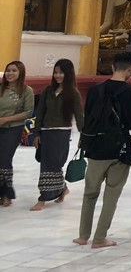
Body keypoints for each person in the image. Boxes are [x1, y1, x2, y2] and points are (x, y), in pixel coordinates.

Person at [75, 50, 131, 249]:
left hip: (96, 147)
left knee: (90, 193)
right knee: (111, 195)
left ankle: (83, 235)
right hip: (120, 149)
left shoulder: (95, 90)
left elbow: (87, 118)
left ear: (113, 66)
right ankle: (99, 239)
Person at [31, 59, 84, 211]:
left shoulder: (73, 93)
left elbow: (79, 116)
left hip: (61, 134)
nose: (58, 75)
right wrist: (36, 133)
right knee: (46, 164)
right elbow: (40, 113)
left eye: (61, 72)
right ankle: (62, 188)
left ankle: (43, 197)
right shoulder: (48, 91)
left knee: (53, 164)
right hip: (46, 133)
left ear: (68, 74)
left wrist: (84, 135)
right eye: (56, 72)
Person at [0, 60, 35, 208]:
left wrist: (6, 119)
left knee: (4, 159)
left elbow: (28, 112)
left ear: (20, 73)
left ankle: (7, 194)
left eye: (14, 71)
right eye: (8, 70)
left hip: (13, 128)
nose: (10, 73)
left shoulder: (27, 91)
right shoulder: (1, 89)